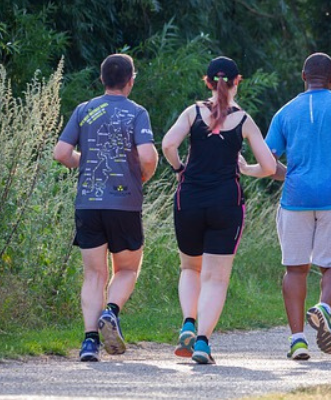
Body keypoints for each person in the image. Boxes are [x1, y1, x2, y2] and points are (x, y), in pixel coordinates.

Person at [254, 53, 331, 360]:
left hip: (296, 199)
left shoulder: (285, 113)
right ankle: (323, 308)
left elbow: (267, 160)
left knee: (295, 267)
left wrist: (287, 176)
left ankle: (297, 341)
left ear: (303, 76)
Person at [162, 56, 276, 364]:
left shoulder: (193, 112)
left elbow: (168, 144)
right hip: (226, 203)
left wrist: (179, 169)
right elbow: (268, 166)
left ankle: (188, 322)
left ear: (208, 82)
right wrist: (246, 169)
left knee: (190, 268)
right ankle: (202, 343)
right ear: (237, 82)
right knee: (216, 278)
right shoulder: (244, 120)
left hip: (189, 200)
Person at [53, 54, 158, 362]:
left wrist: (82, 163)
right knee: (127, 268)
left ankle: (89, 343)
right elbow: (148, 157)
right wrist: (141, 177)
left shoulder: (83, 110)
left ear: (102, 79)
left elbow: (61, 152)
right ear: (131, 80)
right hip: (124, 203)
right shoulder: (137, 113)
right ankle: (111, 312)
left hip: (88, 202)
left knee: (93, 275)